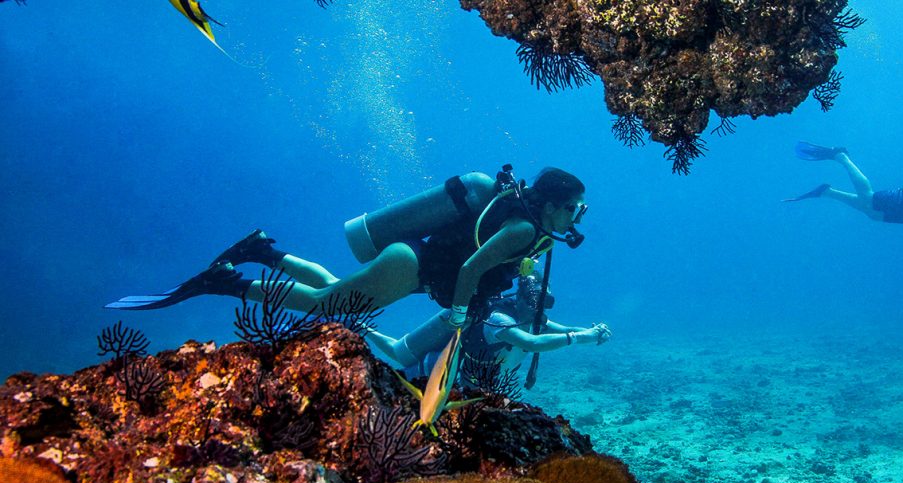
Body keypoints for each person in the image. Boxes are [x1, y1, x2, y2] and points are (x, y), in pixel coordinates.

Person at [106, 167, 589, 333]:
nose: (575, 217)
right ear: (549, 203)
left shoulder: (526, 221)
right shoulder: (523, 228)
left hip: (409, 260)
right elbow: (469, 266)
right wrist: (460, 316)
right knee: (325, 307)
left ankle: (264, 252)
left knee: (335, 292)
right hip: (411, 267)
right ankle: (226, 283)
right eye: (572, 207)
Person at [363, 273, 612, 382]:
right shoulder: (500, 319)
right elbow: (531, 343)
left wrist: (594, 332)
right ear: (519, 299)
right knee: (395, 361)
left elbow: (564, 328)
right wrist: (580, 337)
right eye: (533, 303)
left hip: (474, 382)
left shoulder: (536, 318)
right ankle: (365, 329)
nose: (540, 311)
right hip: (439, 370)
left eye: (545, 304)